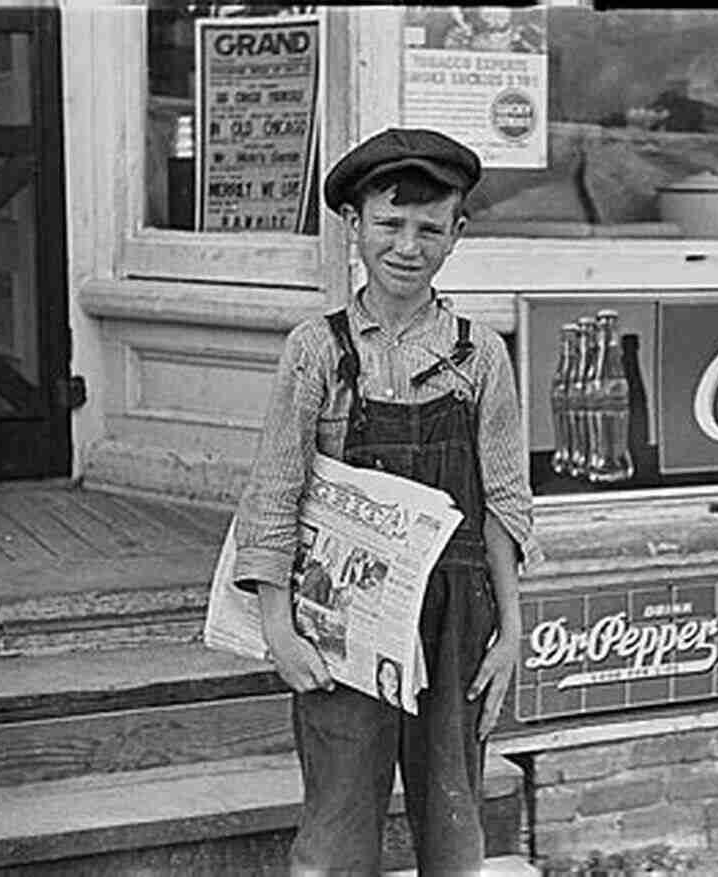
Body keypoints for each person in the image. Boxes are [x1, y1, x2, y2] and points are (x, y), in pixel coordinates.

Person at [232, 127, 541, 875]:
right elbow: (275, 490)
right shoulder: (318, 349)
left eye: (430, 228)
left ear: (456, 233)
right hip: (343, 623)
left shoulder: (479, 355)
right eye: (390, 225)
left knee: (453, 821)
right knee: (336, 827)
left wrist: (511, 634)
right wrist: (279, 626)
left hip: (458, 619)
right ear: (354, 227)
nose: (408, 245)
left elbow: (505, 501)